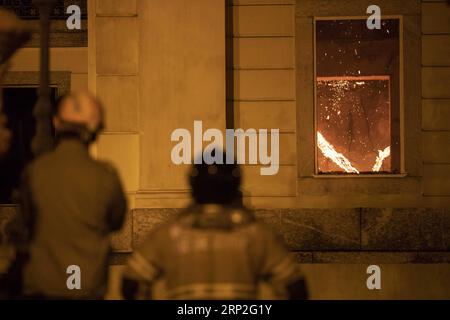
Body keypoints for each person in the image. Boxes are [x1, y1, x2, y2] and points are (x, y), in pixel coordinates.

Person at [122, 151, 308, 300]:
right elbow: (294, 288)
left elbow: (132, 283)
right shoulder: (256, 234)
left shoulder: (170, 233)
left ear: (193, 184)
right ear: (235, 185)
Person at [18, 91, 127, 299]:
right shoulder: (106, 176)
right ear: (94, 130)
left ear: (57, 123)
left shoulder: (35, 171)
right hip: (85, 285)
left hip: (42, 286)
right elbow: (116, 221)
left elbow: (27, 219)